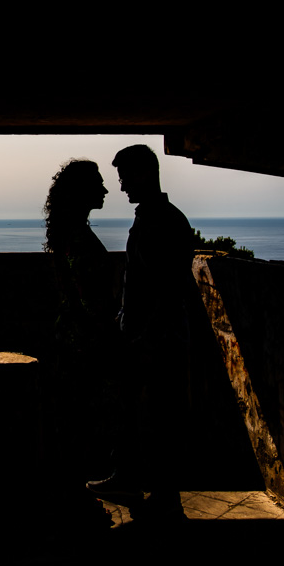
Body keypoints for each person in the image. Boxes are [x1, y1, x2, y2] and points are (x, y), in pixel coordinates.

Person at [86, 143, 199, 523]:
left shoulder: (163, 222)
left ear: (144, 173)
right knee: (139, 414)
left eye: (124, 178)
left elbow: (169, 291)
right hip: (146, 337)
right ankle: (131, 480)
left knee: (162, 418)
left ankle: (164, 496)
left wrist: (146, 340)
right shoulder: (158, 218)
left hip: (157, 341)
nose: (121, 188)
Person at [43, 160, 120, 485]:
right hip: (84, 345)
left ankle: (73, 496)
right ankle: (75, 499)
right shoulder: (78, 239)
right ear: (82, 192)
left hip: (73, 339)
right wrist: (110, 332)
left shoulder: (71, 233)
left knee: (74, 422)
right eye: (98, 184)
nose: (105, 190)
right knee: (82, 423)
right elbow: (90, 299)